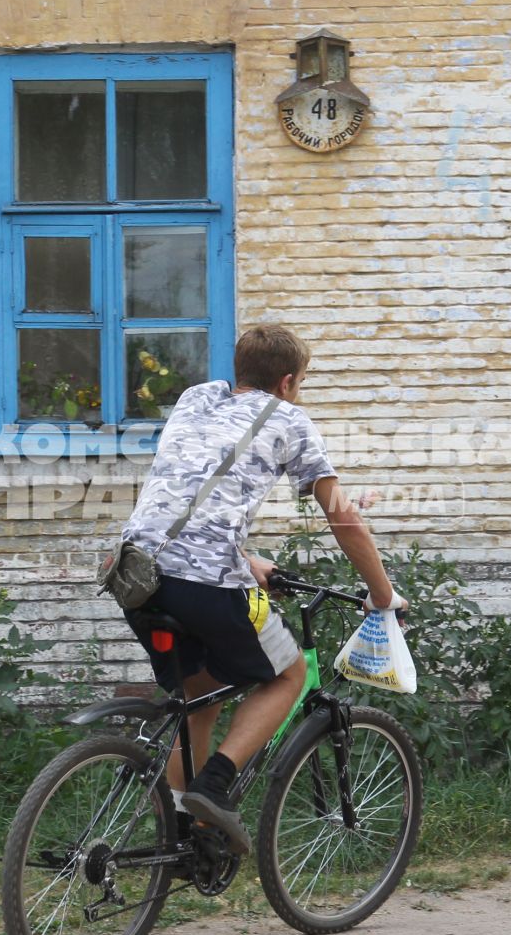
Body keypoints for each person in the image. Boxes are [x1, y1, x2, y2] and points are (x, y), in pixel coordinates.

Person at [116, 323, 404, 855]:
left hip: (135, 574)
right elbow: (342, 518)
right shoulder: (290, 419)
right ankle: (215, 787)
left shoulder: (196, 398)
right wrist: (383, 596)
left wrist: (247, 561)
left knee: (198, 694)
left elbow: (190, 488)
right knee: (288, 675)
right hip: (203, 583)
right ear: (289, 381)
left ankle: (184, 837)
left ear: (239, 368)